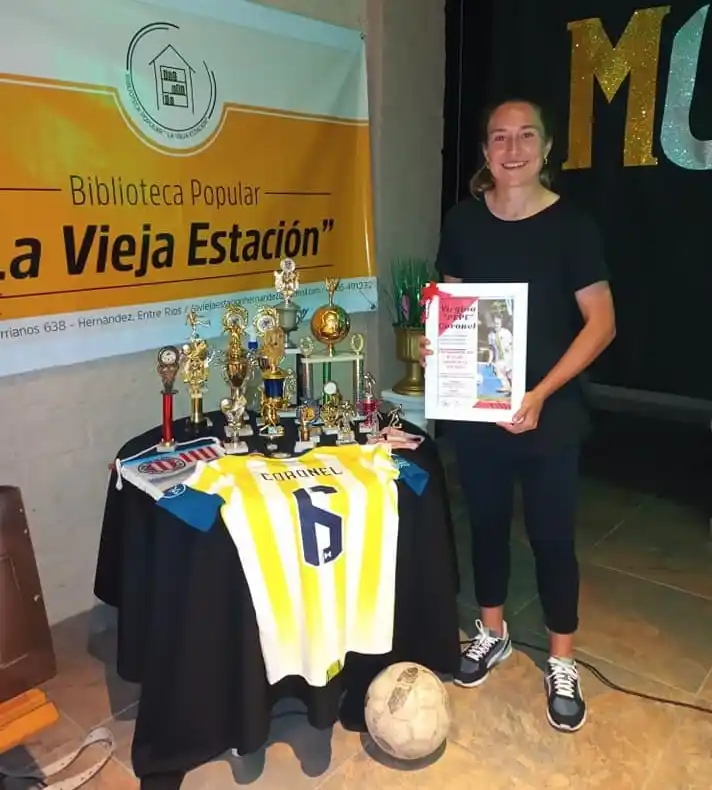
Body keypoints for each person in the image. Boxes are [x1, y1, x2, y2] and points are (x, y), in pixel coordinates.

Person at [420, 99, 616, 732]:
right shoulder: (463, 223)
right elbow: (451, 305)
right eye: (498, 137)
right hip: (479, 412)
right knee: (484, 524)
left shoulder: (573, 225)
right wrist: (433, 341)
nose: (512, 148)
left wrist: (540, 393)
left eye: (525, 135)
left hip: (550, 414)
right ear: (485, 152)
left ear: (546, 147)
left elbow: (602, 324)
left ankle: (562, 658)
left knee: (553, 537)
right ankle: (494, 630)